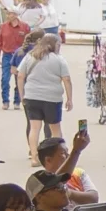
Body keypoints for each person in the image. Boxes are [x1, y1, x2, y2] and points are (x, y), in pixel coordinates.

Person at [16, 33, 72, 166]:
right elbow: (67, 80)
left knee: (34, 128)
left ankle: (34, 157)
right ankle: (59, 156)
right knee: (55, 129)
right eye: (58, 44)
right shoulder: (59, 59)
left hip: (32, 96)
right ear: (53, 45)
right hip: (52, 98)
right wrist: (70, 98)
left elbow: (20, 76)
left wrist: (22, 94)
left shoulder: (30, 56)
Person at [37, 134, 97, 207]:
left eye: (67, 152)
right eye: (62, 153)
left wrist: (70, 193)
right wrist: (76, 151)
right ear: (48, 160)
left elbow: (94, 198)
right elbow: (55, 181)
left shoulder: (78, 173)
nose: (68, 156)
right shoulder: (40, 182)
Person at [0, 9, 29, 111]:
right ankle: (5, 101)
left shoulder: (24, 26)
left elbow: (29, 40)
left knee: (19, 78)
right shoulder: (3, 27)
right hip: (7, 55)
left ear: (16, 14)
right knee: (5, 78)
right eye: (8, 14)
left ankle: (17, 101)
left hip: (20, 55)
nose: (9, 16)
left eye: (11, 13)